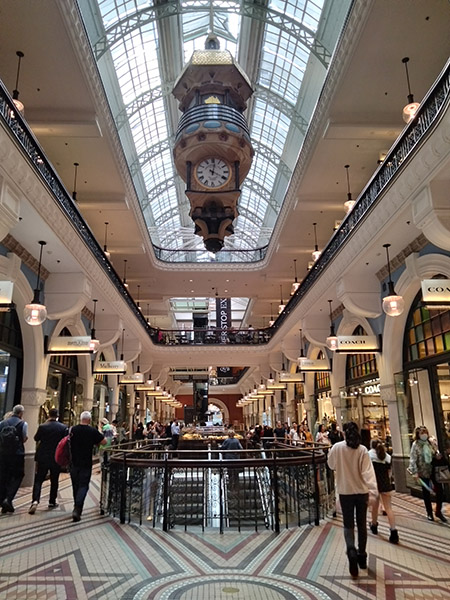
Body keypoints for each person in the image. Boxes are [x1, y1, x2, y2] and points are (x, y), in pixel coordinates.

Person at [327, 421, 378, 579]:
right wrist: (373, 491)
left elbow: (331, 465)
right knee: (362, 524)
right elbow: (367, 473)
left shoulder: (337, 448)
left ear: (343, 433)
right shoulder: (362, 450)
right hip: (361, 492)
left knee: (348, 524)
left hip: (345, 492)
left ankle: (351, 550)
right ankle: (362, 557)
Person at [29, 408, 68, 514]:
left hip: (42, 456)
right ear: (58, 415)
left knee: (38, 479)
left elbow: (36, 438)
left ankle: (35, 500)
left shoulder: (42, 426)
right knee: (54, 480)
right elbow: (65, 442)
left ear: (49, 415)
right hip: (56, 457)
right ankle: (52, 501)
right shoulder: (63, 427)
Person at [69, 411, 106, 522]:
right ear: (89, 420)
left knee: (75, 485)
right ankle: (77, 508)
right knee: (83, 485)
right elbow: (104, 441)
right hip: (86, 462)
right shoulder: (92, 431)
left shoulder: (73, 430)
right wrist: (95, 443)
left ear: (80, 419)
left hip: (73, 462)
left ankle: (76, 506)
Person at [409, 425, 447, 522]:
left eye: (425, 432)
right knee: (426, 493)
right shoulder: (415, 444)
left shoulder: (430, 442)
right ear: (417, 434)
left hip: (434, 470)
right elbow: (413, 459)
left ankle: (438, 511)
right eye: (422, 433)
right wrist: (415, 472)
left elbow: (435, 452)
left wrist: (437, 454)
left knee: (440, 491)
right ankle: (429, 513)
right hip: (423, 471)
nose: (424, 434)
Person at [368, 440, 399, 543]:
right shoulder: (386, 457)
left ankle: (374, 525)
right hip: (385, 484)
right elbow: (389, 473)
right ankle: (393, 531)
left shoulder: (369, 456)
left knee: (374, 507)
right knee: (388, 508)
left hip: (374, 485)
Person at [0, 404, 28, 514]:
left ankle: (3, 501)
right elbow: (24, 438)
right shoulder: (23, 424)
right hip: (17, 454)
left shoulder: (2, 423)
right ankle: (8, 499)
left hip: (3, 454)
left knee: (4, 476)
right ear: (21, 413)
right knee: (18, 476)